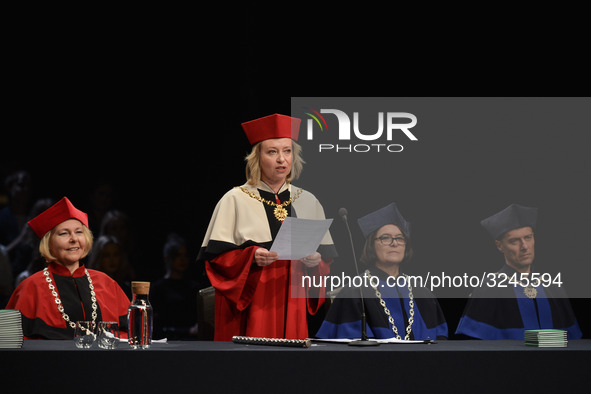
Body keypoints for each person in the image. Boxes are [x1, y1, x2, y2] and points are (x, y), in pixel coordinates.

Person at [197, 113, 337, 341]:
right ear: (257, 157)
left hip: (293, 303)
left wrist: (315, 263)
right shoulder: (234, 199)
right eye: (272, 152)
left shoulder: (308, 201)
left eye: (287, 151)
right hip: (251, 305)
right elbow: (215, 262)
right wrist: (250, 256)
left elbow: (325, 263)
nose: (282, 159)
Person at [316, 203, 448, 340]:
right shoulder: (356, 291)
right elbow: (353, 347)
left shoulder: (421, 291)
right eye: (385, 238)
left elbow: (440, 340)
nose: (394, 243)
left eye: (400, 238)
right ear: (371, 246)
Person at [6, 197, 131, 340]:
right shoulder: (29, 287)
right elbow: (8, 345)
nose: (74, 239)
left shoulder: (107, 284)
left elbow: (130, 335)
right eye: (64, 233)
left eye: (79, 232)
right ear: (49, 243)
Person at [455, 203, 582, 339]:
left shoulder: (553, 286)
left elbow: (573, 342)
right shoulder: (488, 289)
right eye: (514, 241)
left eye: (528, 237)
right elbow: (474, 346)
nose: (524, 247)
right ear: (500, 246)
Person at [151, 233, 201, 340]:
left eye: (185, 255)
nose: (182, 260)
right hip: (166, 341)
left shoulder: (195, 288)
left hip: (192, 342)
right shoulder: (158, 289)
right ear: (167, 258)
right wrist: (187, 331)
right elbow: (156, 325)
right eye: (178, 255)